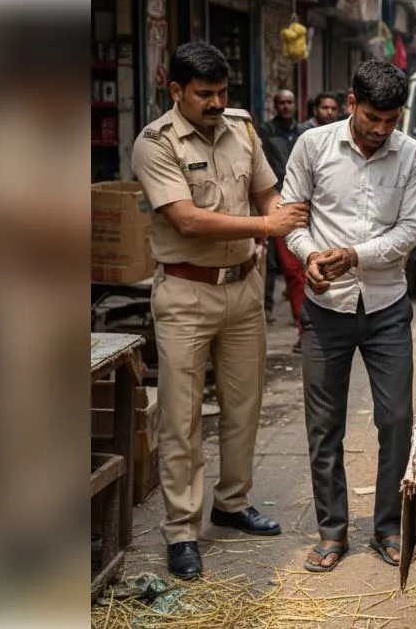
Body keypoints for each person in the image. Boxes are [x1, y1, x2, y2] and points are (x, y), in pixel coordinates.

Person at [132, 41, 305, 580]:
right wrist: (266, 228)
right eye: (203, 93)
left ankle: (232, 502)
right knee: (182, 418)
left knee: (243, 405)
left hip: (243, 289)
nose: (214, 102)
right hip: (185, 293)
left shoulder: (241, 128)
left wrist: (294, 236)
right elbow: (186, 219)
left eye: (221, 92)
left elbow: (268, 194)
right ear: (176, 90)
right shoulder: (154, 143)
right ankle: (182, 529)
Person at [281, 60, 416, 572]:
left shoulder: (411, 155)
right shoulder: (312, 146)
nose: (381, 130)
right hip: (324, 310)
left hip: (387, 306)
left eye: (391, 120)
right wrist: (310, 257)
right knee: (324, 426)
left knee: (397, 420)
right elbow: (291, 216)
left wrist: (354, 256)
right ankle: (332, 532)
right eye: (371, 118)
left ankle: (388, 526)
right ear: (350, 104)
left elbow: (409, 230)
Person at [258, 89, 308, 348]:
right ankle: (300, 325)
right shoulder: (266, 132)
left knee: (301, 270)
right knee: (286, 268)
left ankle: (306, 329)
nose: (287, 106)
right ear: (275, 105)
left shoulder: (304, 134)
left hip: (305, 205)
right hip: (277, 204)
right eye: (282, 102)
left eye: (290, 102)